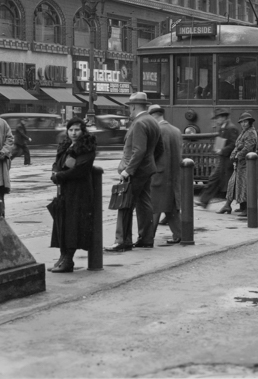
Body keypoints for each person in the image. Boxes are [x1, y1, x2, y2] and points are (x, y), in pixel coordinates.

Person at [105, 92, 164, 252]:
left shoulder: (139, 123)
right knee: (144, 203)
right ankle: (146, 238)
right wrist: (149, 163)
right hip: (146, 170)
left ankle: (122, 241)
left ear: (133, 107)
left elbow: (138, 150)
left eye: (129, 107)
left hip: (135, 171)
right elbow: (159, 149)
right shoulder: (152, 121)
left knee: (124, 204)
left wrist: (128, 171)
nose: (128, 111)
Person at [48, 118, 96, 273]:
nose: (74, 133)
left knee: (72, 225)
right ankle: (62, 257)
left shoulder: (87, 146)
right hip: (64, 190)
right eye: (71, 130)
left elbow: (80, 169)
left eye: (77, 130)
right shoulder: (65, 145)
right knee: (62, 222)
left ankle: (68, 260)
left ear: (83, 131)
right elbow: (57, 162)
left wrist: (60, 176)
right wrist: (55, 172)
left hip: (78, 191)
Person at [148, 104, 183, 245]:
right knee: (171, 206)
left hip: (159, 174)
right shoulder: (176, 131)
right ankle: (180, 234)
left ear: (153, 116)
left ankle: (148, 236)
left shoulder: (157, 130)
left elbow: (153, 153)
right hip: (174, 173)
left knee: (154, 206)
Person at [195, 108, 239, 208]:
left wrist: (222, 150)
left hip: (229, 161)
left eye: (218, 118)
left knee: (231, 184)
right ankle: (204, 201)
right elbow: (220, 144)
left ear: (224, 118)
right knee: (214, 179)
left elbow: (234, 144)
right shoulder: (222, 128)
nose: (216, 120)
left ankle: (242, 205)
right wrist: (217, 149)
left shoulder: (231, 128)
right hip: (223, 160)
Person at [217, 112, 258, 214]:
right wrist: (234, 154)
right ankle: (230, 205)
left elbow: (247, 147)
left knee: (244, 185)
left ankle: (245, 207)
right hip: (238, 163)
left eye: (245, 122)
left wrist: (236, 155)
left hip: (246, 163)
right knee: (233, 184)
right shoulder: (244, 132)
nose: (243, 124)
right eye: (242, 122)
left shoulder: (249, 132)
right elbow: (238, 145)